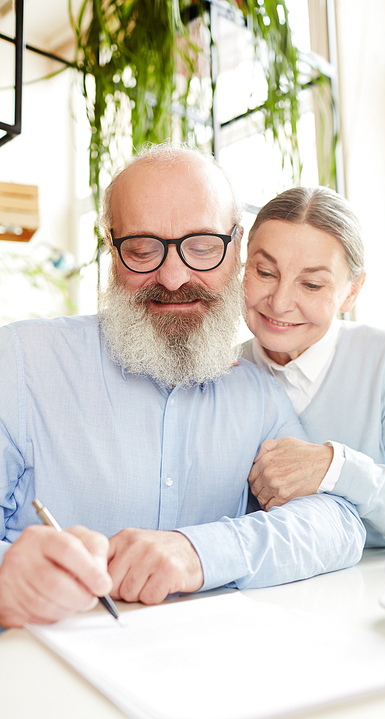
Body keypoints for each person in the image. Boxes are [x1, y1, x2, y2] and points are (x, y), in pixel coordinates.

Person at [0, 146, 365, 629]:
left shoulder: (258, 391)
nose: (173, 278)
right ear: (112, 252)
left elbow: (336, 525)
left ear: (237, 250)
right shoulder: (20, 362)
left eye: (202, 246)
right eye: (143, 248)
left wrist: (199, 551)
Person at [242, 186, 385, 547]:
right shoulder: (220, 371)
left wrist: (336, 468)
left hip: (374, 587)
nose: (280, 303)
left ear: (352, 292)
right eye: (265, 272)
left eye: (311, 284)